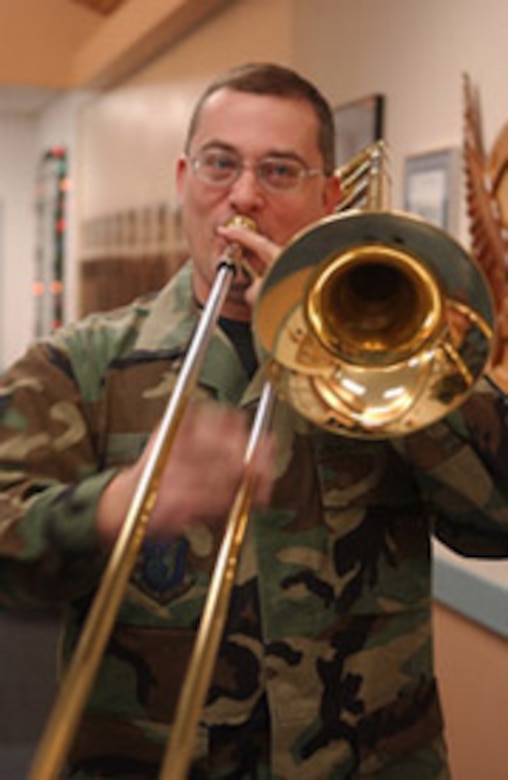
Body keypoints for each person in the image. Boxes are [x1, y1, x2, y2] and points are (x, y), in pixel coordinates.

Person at [0, 62, 507, 780]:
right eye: (220, 165)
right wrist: (117, 505)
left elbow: (499, 522)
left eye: (279, 171)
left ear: (329, 196)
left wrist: (375, 369)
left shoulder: (408, 354)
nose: (242, 196)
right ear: (182, 179)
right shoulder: (77, 365)